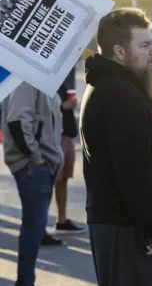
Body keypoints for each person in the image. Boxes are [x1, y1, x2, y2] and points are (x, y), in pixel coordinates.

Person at [80, 7, 152, 286]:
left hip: (126, 224)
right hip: (127, 227)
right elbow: (132, 170)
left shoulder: (116, 85)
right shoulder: (119, 94)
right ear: (120, 52)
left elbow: (134, 145)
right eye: (145, 45)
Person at [1, 82, 63, 286]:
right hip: (32, 165)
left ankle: (25, 280)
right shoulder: (25, 81)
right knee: (33, 226)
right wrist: (36, 157)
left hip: (42, 164)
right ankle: (25, 282)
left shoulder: (38, 79)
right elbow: (17, 121)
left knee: (35, 226)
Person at [54, 68, 86, 234]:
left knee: (63, 179)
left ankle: (62, 219)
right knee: (49, 180)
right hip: (52, 134)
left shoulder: (68, 71)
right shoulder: (42, 74)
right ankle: (39, 225)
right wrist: (62, 106)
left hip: (67, 130)